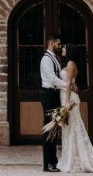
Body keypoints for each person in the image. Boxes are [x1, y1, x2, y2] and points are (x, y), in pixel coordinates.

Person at [40, 33, 67, 172]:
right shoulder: (46, 59)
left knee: (55, 127)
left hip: (54, 94)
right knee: (49, 128)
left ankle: (53, 161)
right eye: (58, 44)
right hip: (48, 95)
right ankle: (48, 163)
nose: (59, 46)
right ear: (52, 43)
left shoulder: (54, 58)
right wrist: (68, 86)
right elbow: (52, 79)